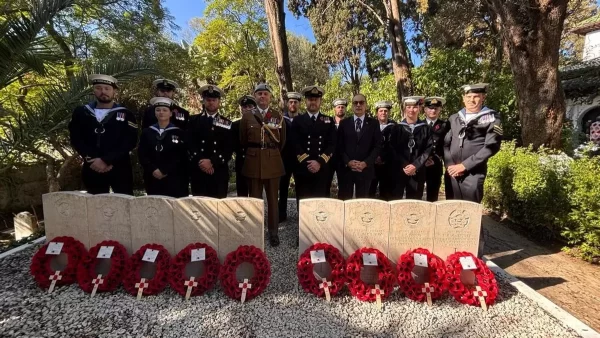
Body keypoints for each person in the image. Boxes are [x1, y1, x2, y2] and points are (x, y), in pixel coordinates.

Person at [68, 74, 138, 195]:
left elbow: (130, 141)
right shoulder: (82, 112)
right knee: (95, 206)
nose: (103, 92)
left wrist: (107, 160)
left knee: (125, 204)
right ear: (93, 90)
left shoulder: (126, 114)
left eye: (107, 88)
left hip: (119, 167)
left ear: (114, 91)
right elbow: (76, 138)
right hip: (92, 166)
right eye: (98, 88)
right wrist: (92, 159)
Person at [240, 83, 286, 246]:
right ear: (255, 96)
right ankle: (255, 231)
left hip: (273, 162)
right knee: (255, 200)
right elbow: (243, 140)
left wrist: (269, 151)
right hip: (253, 162)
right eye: (259, 94)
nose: (262, 96)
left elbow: (282, 141)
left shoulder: (277, 116)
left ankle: (273, 232)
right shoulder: (247, 117)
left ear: (270, 97)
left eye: (265, 94)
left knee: (273, 200)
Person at [444, 83, 503, 203]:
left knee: (470, 213)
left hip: (473, 173)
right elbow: (445, 144)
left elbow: (492, 146)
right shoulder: (454, 118)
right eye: (468, 97)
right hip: (451, 172)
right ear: (463, 99)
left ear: (483, 98)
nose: (472, 100)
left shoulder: (492, 118)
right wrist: (450, 165)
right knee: (450, 211)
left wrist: (464, 166)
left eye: (476, 96)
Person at [187, 84, 233, 198]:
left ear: (219, 102)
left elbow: (228, 148)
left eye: (214, 100)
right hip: (198, 171)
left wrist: (212, 162)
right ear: (204, 101)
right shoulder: (193, 121)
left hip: (218, 171)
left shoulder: (227, 123)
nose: (211, 102)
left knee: (218, 209)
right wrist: (202, 162)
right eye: (208, 100)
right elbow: (189, 144)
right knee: (198, 210)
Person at [292, 86, 336, 203]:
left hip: (322, 167)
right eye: (310, 99)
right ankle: (303, 222)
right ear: (306, 101)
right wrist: (308, 162)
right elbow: (294, 143)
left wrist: (319, 162)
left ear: (320, 101)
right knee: (303, 201)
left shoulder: (328, 120)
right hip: (303, 167)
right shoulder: (297, 120)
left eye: (316, 100)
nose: (313, 102)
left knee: (321, 201)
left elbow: (332, 144)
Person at [138, 97, 188, 197]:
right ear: (154, 113)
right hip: (152, 177)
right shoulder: (147, 132)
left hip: (174, 178)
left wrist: (165, 170)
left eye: (165, 110)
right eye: (158, 110)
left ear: (170, 113)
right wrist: (153, 169)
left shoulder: (179, 132)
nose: (161, 112)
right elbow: (142, 154)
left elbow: (181, 156)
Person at [336, 94, 382, 200]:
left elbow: (377, 146)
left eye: (361, 102)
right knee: (344, 201)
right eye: (355, 103)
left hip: (365, 170)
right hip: (347, 171)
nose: (358, 105)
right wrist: (348, 162)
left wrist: (365, 163)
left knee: (363, 204)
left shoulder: (374, 123)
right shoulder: (344, 123)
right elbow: (339, 146)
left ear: (365, 105)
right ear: (352, 106)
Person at [388, 96, 432, 200]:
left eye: (414, 107)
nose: (411, 110)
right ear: (404, 109)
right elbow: (392, 148)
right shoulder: (397, 128)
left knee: (414, 203)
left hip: (417, 171)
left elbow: (428, 149)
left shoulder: (425, 128)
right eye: (408, 107)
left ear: (419, 109)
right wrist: (405, 165)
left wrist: (415, 165)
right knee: (396, 201)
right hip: (399, 170)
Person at [279, 91, 302, 222]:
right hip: (284, 159)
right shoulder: (281, 119)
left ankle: (301, 215)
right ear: (287, 104)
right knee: (282, 187)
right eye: (291, 102)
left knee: (301, 188)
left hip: (300, 160)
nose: (293, 104)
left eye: (295, 102)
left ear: (299, 104)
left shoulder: (303, 120)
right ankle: (281, 214)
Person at [423, 97, 451, 202]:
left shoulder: (445, 125)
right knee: (416, 194)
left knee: (433, 195)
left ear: (440, 110)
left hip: (436, 163)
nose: (433, 111)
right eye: (430, 108)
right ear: (425, 110)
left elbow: (448, 145)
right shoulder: (419, 124)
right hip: (420, 163)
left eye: (436, 108)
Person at [369, 100, 396, 201]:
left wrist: (383, 157)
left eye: (385, 111)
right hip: (372, 164)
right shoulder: (370, 125)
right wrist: (374, 157)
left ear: (388, 112)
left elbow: (394, 146)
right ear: (377, 113)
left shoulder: (395, 127)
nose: (383, 113)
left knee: (386, 194)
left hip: (387, 165)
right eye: (381, 111)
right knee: (370, 192)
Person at [231, 95, 257, 197]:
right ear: (241, 109)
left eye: (250, 106)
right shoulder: (234, 125)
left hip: (255, 162)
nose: (247, 109)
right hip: (241, 162)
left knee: (255, 194)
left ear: (254, 108)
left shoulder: (260, 124)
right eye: (244, 107)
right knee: (241, 194)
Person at [326, 98, 347, 196]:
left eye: (343, 107)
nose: (341, 109)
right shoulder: (328, 122)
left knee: (344, 187)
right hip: (329, 159)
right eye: (338, 107)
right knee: (325, 185)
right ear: (335, 109)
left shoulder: (349, 123)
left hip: (343, 160)